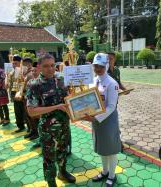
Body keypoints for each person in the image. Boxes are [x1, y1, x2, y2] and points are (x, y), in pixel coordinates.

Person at [26, 54, 76, 187]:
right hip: (47, 129)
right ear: (39, 67)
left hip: (64, 125)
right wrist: (57, 107)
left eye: (52, 65)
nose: (50, 69)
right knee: (49, 158)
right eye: (46, 66)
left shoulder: (62, 79)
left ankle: (63, 172)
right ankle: (51, 181)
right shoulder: (34, 85)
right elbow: (31, 111)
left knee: (63, 151)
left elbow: (70, 99)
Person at [82, 53, 122, 187]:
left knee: (111, 149)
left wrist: (95, 118)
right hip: (96, 120)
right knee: (101, 147)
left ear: (105, 65)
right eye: (95, 66)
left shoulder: (112, 83)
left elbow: (111, 106)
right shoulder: (93, 81)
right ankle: (105, 171)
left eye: (100, 66)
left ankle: (112, 175)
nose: (98, 69)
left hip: (108, 120)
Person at [6, 55, 26, 133]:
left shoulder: (24, 71)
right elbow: (9, 83)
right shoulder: (11, 72)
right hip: (15, 93)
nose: (14, 65)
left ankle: (30, 127)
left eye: (16, 63)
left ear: (20, 63)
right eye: (13, 63)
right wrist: (7, 84)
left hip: (23, 93)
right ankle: (20, 126)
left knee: (25, 111)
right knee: (17, 110)